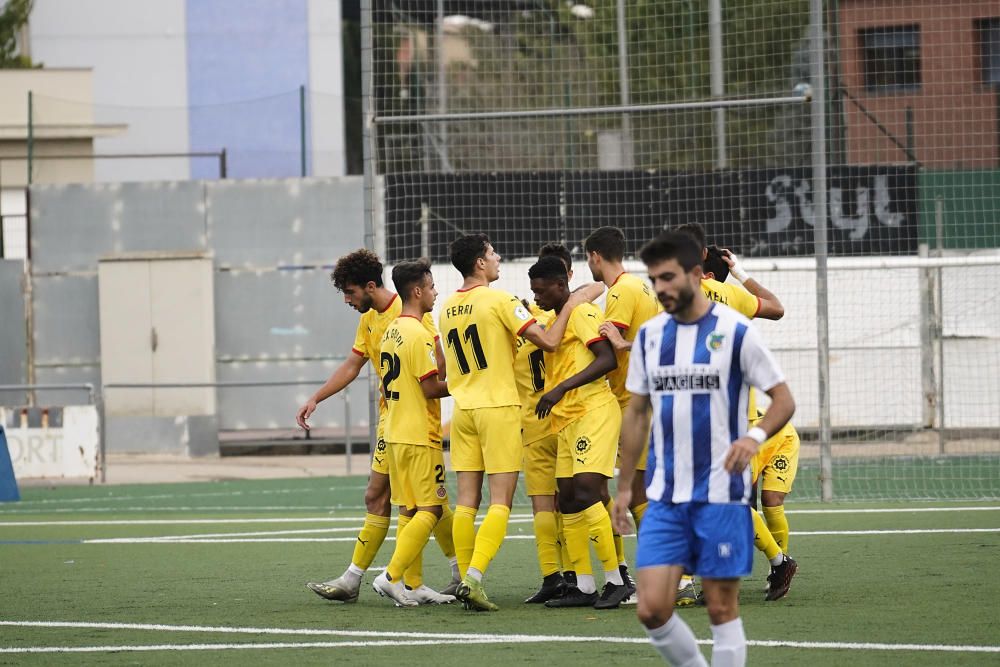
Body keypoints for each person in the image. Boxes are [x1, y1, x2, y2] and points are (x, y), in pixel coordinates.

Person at [612, 232, 795, 666]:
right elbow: (637, 413)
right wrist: (623, 489)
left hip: (720, 496)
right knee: (652, 609)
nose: (662, 289)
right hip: (664, 497)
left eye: (669, 277)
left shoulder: (735, 331)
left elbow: (783, 399)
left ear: (697, 274)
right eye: (655, 280)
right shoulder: (651, 337)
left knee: (720, 609)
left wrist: (753, 437)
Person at [300, 249, 458, 605]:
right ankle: (400, 579)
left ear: (370, 286)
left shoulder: (412, 317)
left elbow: (437, 367)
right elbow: (352, 365)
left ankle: (426, 574)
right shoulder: (371, 319)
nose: (347, 300)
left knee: (422, 503)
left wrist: (455, 383)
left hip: (414, 421)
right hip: (395, 422)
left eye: (350, 292)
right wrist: (317, 398)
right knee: (403, 501)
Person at [441, 233, 585, 611]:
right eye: (492, 254)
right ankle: (474, 580)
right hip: (498, 409)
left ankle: (462, 577)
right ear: (479, 263)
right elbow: (550, 341)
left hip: (462, 411)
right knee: (501, 501)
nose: (498, 257)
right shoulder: (501, 300)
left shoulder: (446, 307)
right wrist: (573, 304)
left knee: (467, 502)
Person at [677, 225, 799, 602]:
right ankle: (775, 563)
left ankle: (757, 567)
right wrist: (741, 273)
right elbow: (776, 308)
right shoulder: (731, 293)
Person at [530, 255, 630, 609]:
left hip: (593, 411)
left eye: (542, 291)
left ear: (561, 286)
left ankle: (617, 580)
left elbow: (607, 359)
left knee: (588, 490)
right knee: (569, 498)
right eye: (533, 293)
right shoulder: (555, 319)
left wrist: (559, 389)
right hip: (567, 419)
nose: (538, 298)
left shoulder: (582, 313)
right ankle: (584, 585)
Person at [584, 226, 662, 601]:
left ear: (596, 256)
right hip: (637, 397)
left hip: (632, 400)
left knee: (637, 492)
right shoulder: (642, 287)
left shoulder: (621, 292)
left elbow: (612, 351)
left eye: (588, 259)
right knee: (635, 491)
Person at [372, 259, 455, 607]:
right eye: (433, 286)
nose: (435, 293)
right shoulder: (417, 333)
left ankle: (414, 583)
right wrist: (467, 383)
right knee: (431, 509)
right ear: (418, 291)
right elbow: (431, 388)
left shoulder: (391, 329)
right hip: (418, 434)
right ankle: (390, 576)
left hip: (394, 432)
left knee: (409, 510)